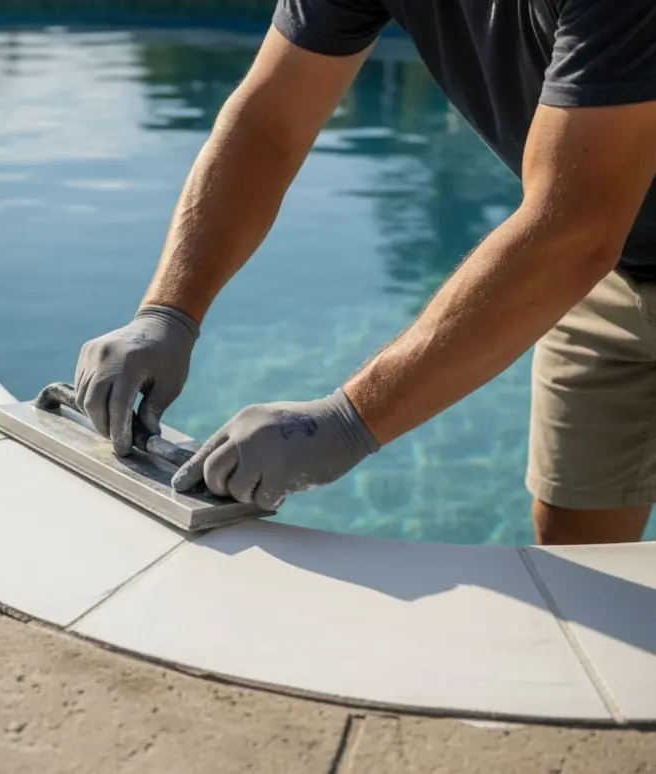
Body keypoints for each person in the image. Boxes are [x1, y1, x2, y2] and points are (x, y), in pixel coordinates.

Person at [73, 0, 656, 545]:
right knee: (580, 561)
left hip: (581, 245)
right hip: (605, 277)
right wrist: (168, 312)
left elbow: (576, 225)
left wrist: (346, 421)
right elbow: (269, 124)